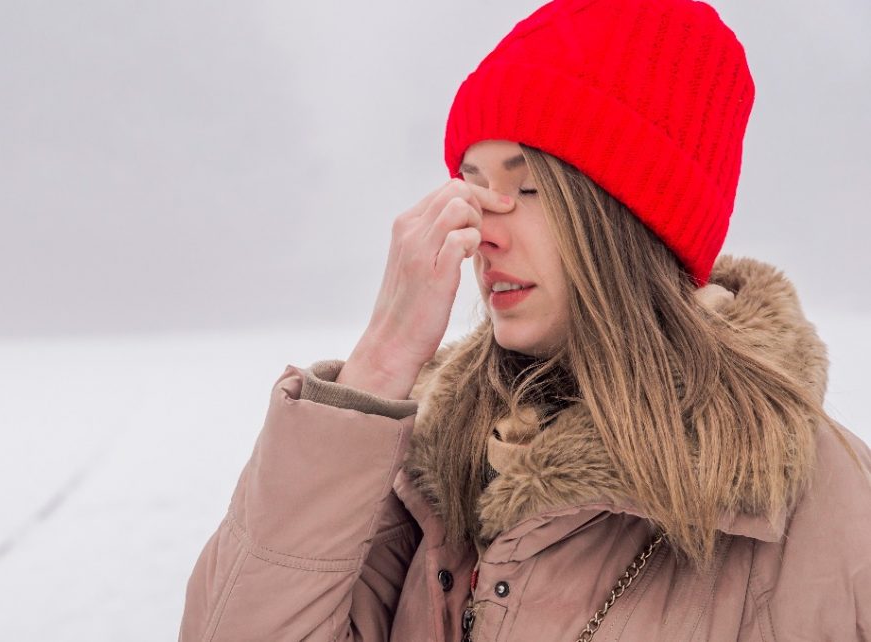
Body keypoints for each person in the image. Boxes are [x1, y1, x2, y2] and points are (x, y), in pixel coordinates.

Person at [179, 0, 871, 639]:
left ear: (631, 218)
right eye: (472, 187)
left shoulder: (820, 507)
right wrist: (380, 364)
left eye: (528, 186)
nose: (482, 229)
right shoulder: (422, 459)